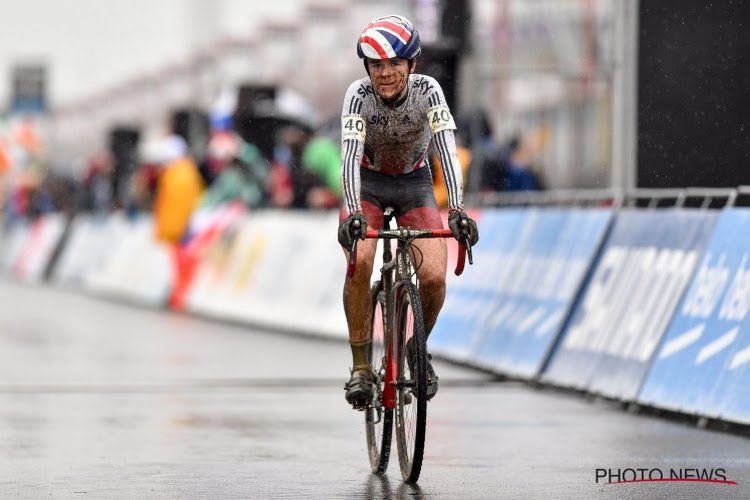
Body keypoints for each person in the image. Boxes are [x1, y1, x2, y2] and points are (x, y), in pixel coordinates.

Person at [337, 15, 479, 408]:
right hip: (367, 183)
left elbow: (446, 148)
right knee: (360, 258)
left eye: (394, 64)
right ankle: (362, 367)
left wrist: (457, 209)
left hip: (414, 184)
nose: (385, 74)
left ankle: (417, 349)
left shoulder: (429, 91)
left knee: (434, 275)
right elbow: (349, 156)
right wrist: (352, 212)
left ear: (412, 65)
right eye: (377, 65)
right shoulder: (357, 95)